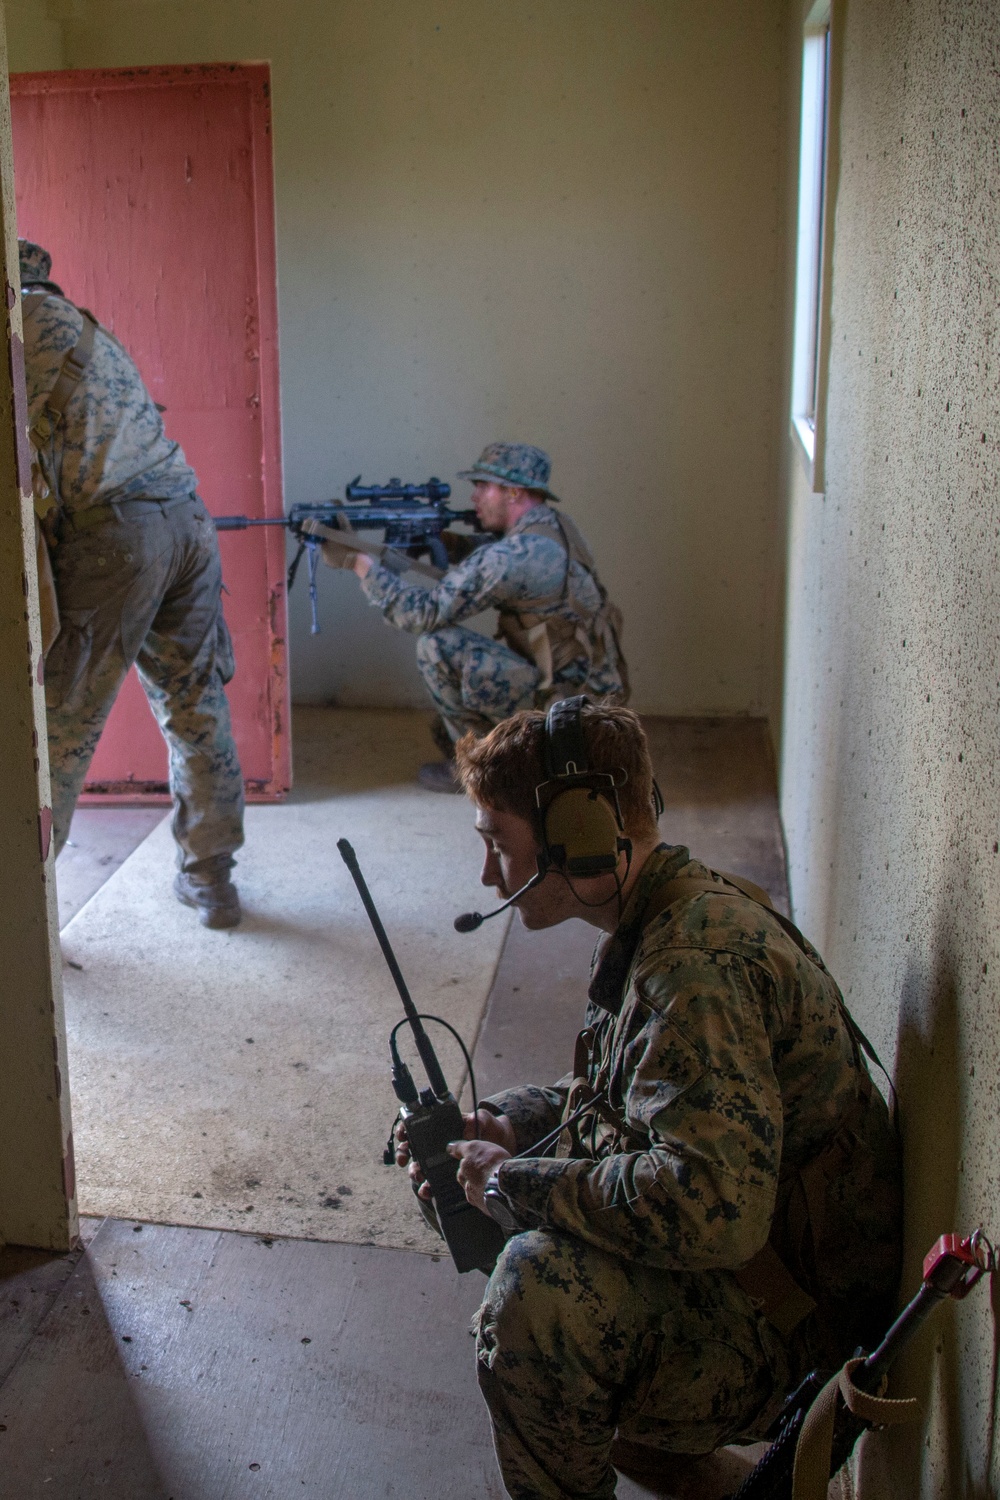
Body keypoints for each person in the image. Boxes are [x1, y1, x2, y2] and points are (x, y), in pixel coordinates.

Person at [397, 701, 902, 1500]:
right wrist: (507, 1124)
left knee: (538, 1299)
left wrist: (514, 1179)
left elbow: (711, 1208)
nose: (488, 876)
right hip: (772, 1280)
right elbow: (628, 1100)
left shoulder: (691, 967)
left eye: (498, 842)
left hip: (802, 1334)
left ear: (578, 831)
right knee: (497, 1204)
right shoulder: (665, 915)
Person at [20, 239, 245, 929]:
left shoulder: (16, 330)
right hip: (185, 519)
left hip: (119, 538)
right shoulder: (83, 326)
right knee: (195, 703)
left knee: (58, 726)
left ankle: (21, 927)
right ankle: (211, 878)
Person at [320, 442, 627, 791]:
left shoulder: (513, 556)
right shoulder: (554, 528)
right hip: (589, 703)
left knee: (436, 645)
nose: (474, 497)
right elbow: (494, 559)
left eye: (483, 486)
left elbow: (422, 613)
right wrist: (448, 543)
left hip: (565, 716)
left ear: (513, 492)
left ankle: (485, 771)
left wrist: (359, 562)